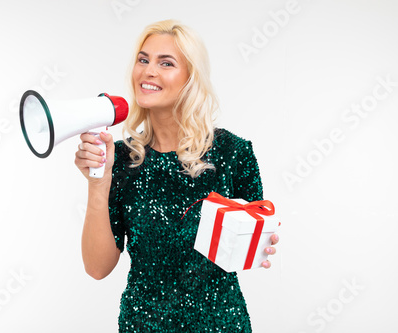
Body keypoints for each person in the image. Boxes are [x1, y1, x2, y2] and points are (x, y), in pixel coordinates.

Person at [75, 19, 279, 332]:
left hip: (220, 324)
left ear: (191, 78)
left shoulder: (232, 152)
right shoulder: (120, 159)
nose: (148, 71)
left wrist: (259, 242)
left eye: (165, 63)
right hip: (143, 325)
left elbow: (254, 234)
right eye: (143, 60)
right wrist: (98, 183)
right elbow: (97, 268)